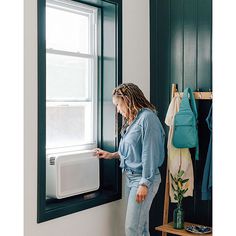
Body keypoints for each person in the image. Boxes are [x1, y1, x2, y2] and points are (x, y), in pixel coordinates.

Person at [96, 83, 165, 236]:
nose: (118, 110)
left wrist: (145, 183)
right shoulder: (133, 120)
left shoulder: (148, 119)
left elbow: (150, 153)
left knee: (132, 229)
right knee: (141, 227)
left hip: (144, 179)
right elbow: (133, 151)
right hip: (131, 179)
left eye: (119, 105)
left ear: (128, 101)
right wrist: (111, 155)